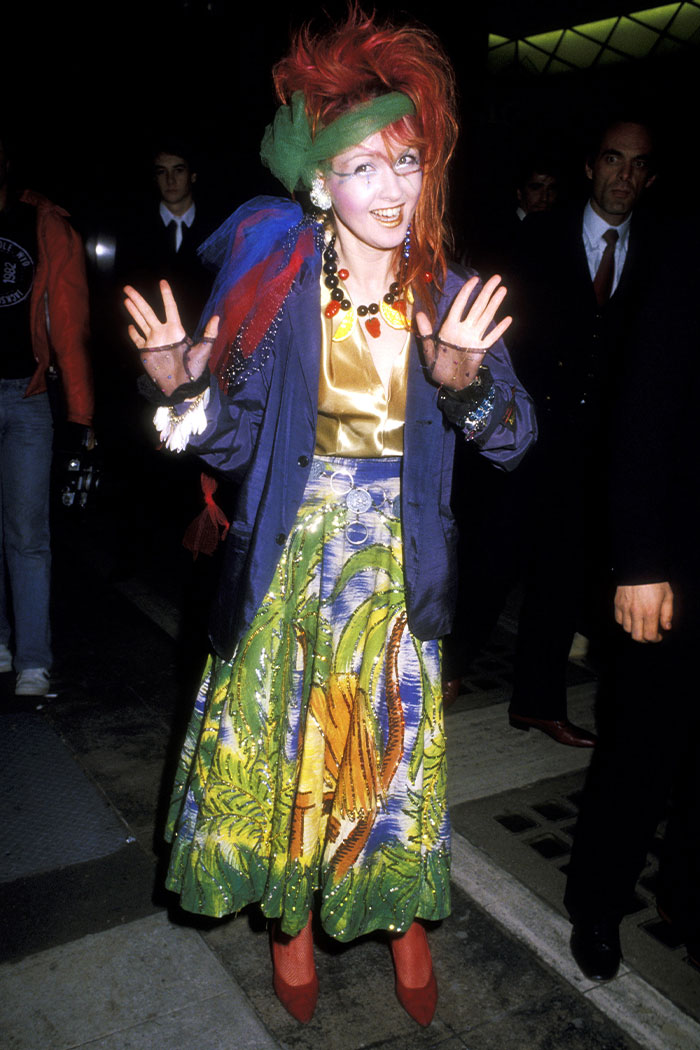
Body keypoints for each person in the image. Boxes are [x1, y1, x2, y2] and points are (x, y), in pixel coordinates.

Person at [124, 10, 536, 1026]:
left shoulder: (445, 290)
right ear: (320, 183)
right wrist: (182, 395)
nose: (392, 189)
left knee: (377, 756)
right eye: (363, 167)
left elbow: (515, 440)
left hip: (390, 570)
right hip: (286, 555)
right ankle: (291, 925)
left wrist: (461, 387)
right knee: (286, 753)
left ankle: (400, 920)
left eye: (405, 161)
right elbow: (227, 445)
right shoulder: (276, 285)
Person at [564, 236, 700, 979]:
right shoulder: (685, 258)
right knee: (642, 746)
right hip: (677, 562)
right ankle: (597, 904)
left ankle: (687, 901)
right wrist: (640, 561)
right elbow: (643, 409)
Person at [500, 118, 659, 747]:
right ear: (591, 166)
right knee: (492, 555)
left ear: (650, 177)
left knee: (565, 574)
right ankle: (448, 670)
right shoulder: (539, 235)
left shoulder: (662, 250)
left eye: (638, 165)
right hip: (526, 434)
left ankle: (537, 701)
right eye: (614, 160)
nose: (624, 175)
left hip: (601, 446)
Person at [0, 133, 94, 696]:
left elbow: (71, 324)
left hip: (28, 399)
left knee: (28, 532)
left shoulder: (44, 227)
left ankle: (34, 661)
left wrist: (81, 416)